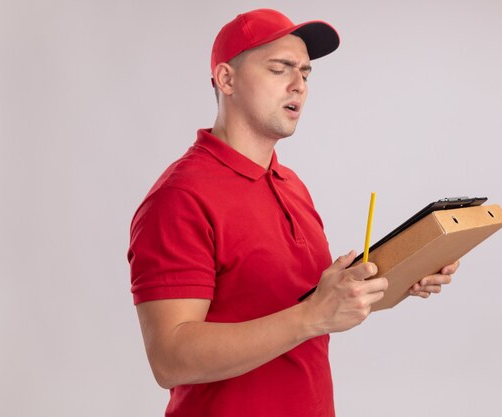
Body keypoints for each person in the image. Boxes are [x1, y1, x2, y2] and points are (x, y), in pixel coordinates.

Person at [127, 8, 458, 417]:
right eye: (280, 68)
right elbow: (170, 358)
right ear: (226, 79)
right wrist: (313, 315)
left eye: (305, 72)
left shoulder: (292, 185)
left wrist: (398, 275)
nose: (298, 84)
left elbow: (305, 303)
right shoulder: (180, 196)